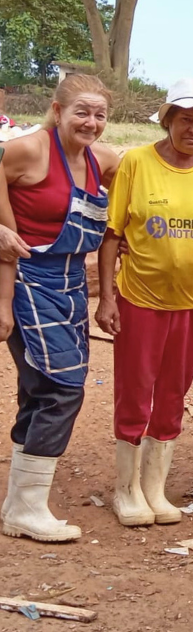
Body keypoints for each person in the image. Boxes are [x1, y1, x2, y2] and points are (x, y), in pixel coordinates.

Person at [96, 79, 193, 527]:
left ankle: (154, 487)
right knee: (135, 392)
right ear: (167, 120)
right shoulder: (135, 162)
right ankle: (126, 489)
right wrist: (107, 297)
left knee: (173, 395)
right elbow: (112, 236)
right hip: (140, 300)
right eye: (185, 120)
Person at [0, 74, 119, 542]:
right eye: (81, 113)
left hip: (71, 286)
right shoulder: (26, 150)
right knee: (62, 389)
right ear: (57, 110)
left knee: (38, 388)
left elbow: (150, 171)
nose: (91, 122)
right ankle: (27, 507)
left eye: (100, 115)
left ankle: (17, 503)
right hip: (25, 282)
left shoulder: (103, 160)